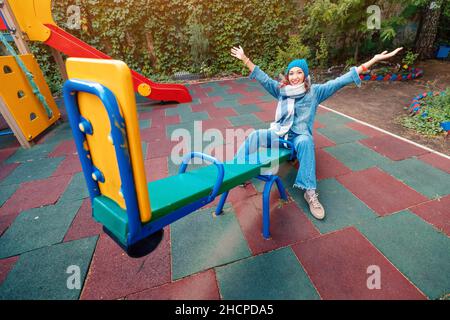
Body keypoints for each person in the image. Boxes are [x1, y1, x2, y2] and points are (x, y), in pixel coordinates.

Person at [230, 45, 403, 220]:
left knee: (306, 142)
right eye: (291, 73)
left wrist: (373, 60)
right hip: (279, 134)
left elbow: (341, 80)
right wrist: (245, 59)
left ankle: (310, 193)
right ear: (288, 76)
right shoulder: (282, 90)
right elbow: (263, 78)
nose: (295, 76)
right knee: (255, 135)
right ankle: (236, 171)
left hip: (298, 136)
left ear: (305, 74)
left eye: (299, 72)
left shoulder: (315, 92)